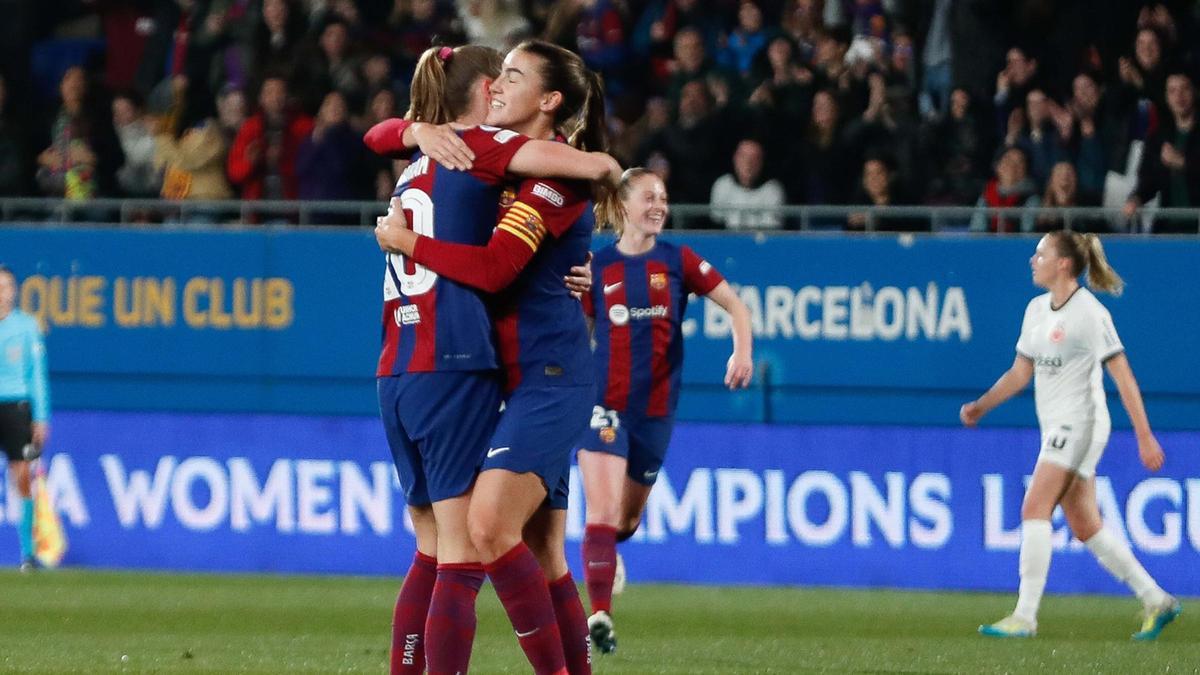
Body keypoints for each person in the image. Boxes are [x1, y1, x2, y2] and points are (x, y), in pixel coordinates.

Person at [371, 44, 617, 675]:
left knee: (480, 536)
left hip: (538, 374)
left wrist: (406, 238)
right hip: (490, 372)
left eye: (516, 76)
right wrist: (417, 127)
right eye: (499, 75)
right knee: (533, 551)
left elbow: (496, 265)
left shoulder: (521, 167)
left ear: (550, 99)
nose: (503, 86)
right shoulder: (483, 157)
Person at [959, 231, 1181, 641]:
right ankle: (1156, 599)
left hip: (1081, 423)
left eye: (1040, 253)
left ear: (1063, 264)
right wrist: (982, 405)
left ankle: (1025, 617)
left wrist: (1145, 435)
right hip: (1058, 424)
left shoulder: (1090, 314)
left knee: (1034, 506)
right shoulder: (1036, 310)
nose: (1032, 259)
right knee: (1084, 524)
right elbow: (1020, 373)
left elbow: (1124, 376)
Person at [576, 168, 752, 653]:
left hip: (655, 413)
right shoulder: (598, 266)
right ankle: (599, 616)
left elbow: (736, 306)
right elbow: (579, 336)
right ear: (623, 205)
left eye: (665, 198)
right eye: (650, 196)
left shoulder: (678, 261)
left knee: (625, 522)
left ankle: (608, 552)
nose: (659, 205)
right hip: (604, 406)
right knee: (603, 511)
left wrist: (742, 352)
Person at [0, 265, 50, 573]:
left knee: (22, 477)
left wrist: (40, 417)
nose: (1, 293)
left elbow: (37, 376)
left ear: (14, 291)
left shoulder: (28, 326)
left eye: (6, 287)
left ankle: (27, 554)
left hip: (17, 408)